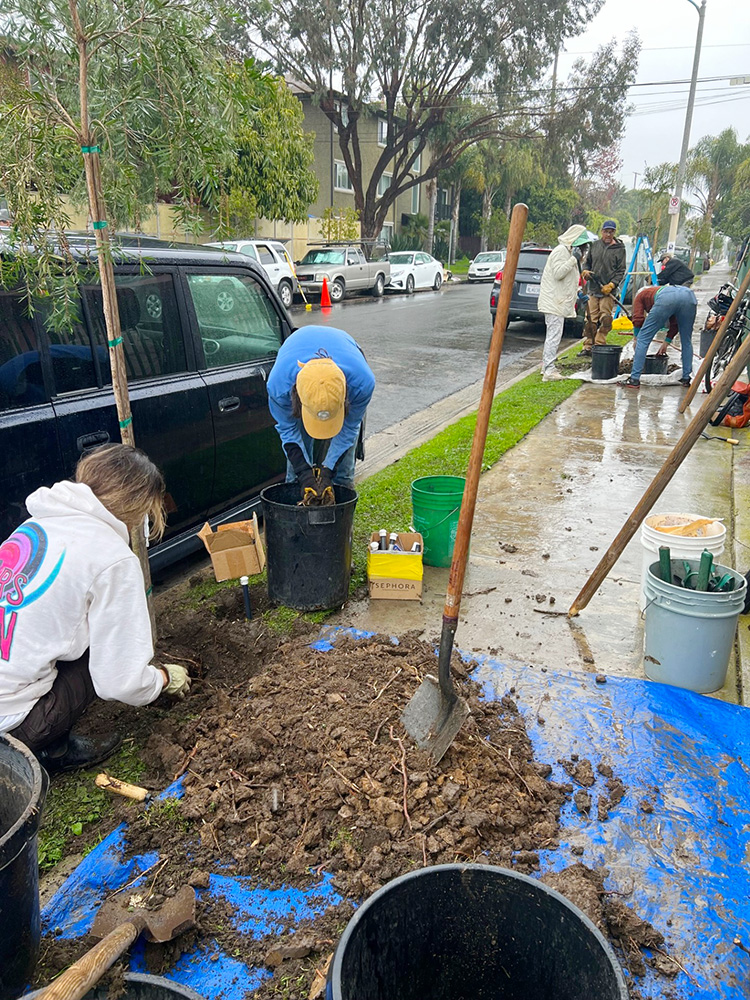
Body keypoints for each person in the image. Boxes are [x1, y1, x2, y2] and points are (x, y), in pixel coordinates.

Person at [0, 444, 191, 772]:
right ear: (136, 505)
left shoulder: (34, 527)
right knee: (99, 656)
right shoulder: (111, 558)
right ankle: (54, 751)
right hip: (10, 731)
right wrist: (160, 678)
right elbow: (117, 681)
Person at [267, 326, 375, 505]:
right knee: (297, 472)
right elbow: (288, 431)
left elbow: (348, 430)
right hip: (296, 351)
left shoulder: (362, 383)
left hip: (346, 349)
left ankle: (342, 519)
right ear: (297, 397)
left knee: (343, 470)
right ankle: (298, 512)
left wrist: (328, 470)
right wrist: (303, 472)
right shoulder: (279, 386)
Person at [537, 224, 588, 381]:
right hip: (553, 302)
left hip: (557, 301)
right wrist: (574, 259)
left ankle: (547, 366)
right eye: (582, 246)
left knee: (554, 335)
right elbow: (559, 273)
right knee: (554, 335)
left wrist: (578, 292)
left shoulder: (567, 252)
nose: (583, 250)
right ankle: (549, 371)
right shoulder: (561, 251)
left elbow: (568, 280)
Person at [622, 284, 697, 389]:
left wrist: (636, 338)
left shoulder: (640, 296)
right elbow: (675, 324)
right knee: (686, 340)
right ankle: (686, 378)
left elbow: (638, 318)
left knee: (643, 339)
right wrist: (667, 342)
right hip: (689, 297)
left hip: (666, 299)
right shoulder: (656, 291)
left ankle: (634, 379)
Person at [580, 221, 627, 354]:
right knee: (590, 320)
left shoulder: (619, 249)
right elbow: (586, 263)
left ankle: (599, 345)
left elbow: (620, 271)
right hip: (593, 289)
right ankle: (588, 346)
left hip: (608, 292)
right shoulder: (595, 246)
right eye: (606, 231)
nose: (608, 234)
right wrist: (586, 271)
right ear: (602, 232)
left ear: (614, 233)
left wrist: (612, 284)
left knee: (605, 319)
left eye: (611, 231)